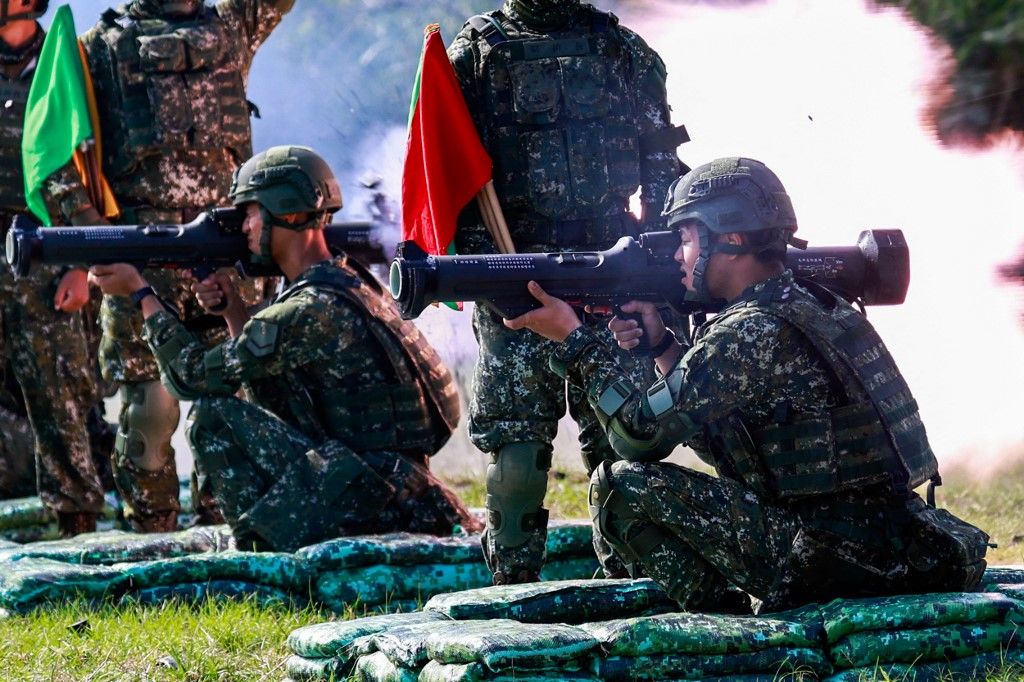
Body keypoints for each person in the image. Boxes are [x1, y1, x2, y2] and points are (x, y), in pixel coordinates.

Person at [504, 157, 990, 612]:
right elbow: (732, 443)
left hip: (838, 559)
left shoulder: (748, 331)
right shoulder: (814, 303)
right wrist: (663, 349)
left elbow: (636, 438)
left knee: (618, 486)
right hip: (898, 542)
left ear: (730, 239)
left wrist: (574, 341)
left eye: (687, 239)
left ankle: (730, 626)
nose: (677, 255)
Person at [88, 146, 481, 552]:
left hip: (373, 496)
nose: (243, 227)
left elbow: (192, 378)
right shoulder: (348, 281)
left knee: (213, 416)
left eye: (251, 212)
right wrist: (233, 310)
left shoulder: (310, 308)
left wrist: (139, 295)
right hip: (393, 486)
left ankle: (261, 545)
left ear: (287, 213)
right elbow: (269, 376)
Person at [447, 0, 689, 584]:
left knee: (622, 439)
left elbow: (663, 171)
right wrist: (489, 275)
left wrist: (660, 276)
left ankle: (628, 589)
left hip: (614, 274)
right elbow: (450, 176)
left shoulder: (623, 51)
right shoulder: (474, 56)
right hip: (515, 271)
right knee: (516, 447)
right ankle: (512, 593)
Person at [43, 0, 296, 532]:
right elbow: (55, 154)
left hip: (229, 251)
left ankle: (229, 525)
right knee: (149, 406)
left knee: (230, 395)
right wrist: (97, 235)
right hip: (143, 254)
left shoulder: (230, 23)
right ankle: (152, 531)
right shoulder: (96, 47)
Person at [0, 0, 108, 535]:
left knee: (59, 389)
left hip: (44, 249)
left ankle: (75, 520)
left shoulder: (69, 61)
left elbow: (85, 164)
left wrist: (79, 264)